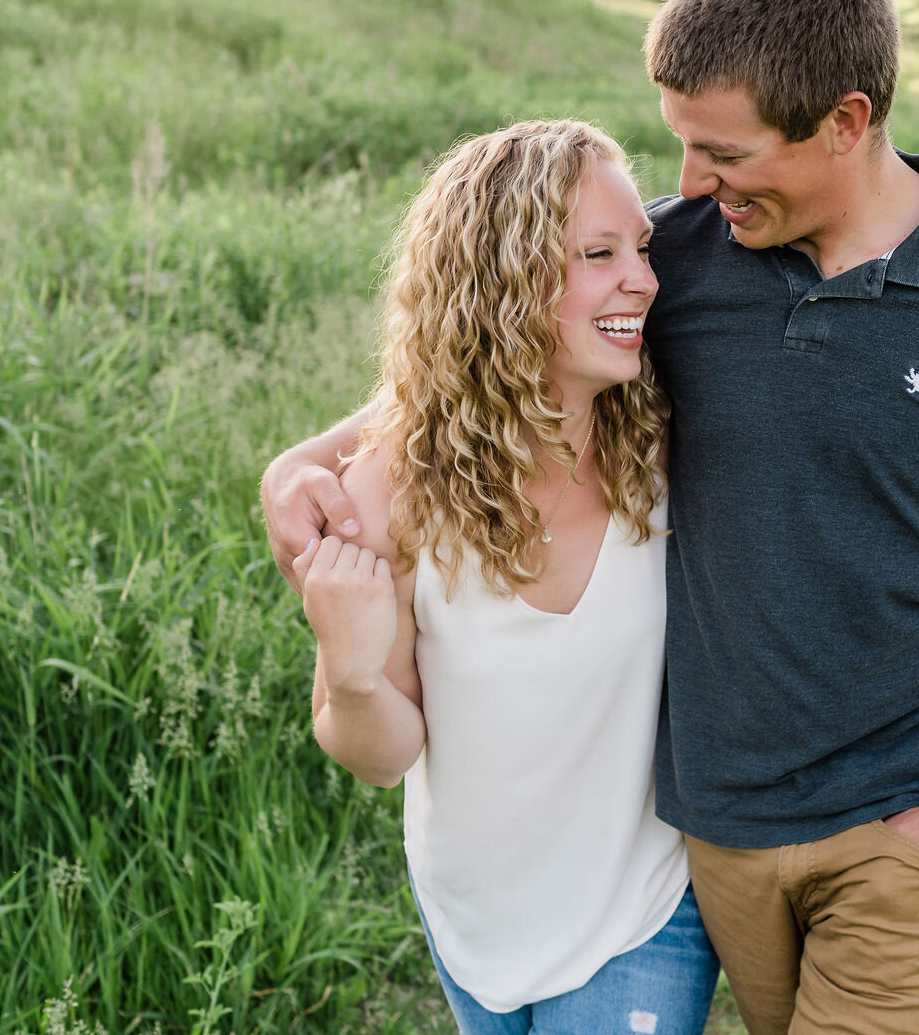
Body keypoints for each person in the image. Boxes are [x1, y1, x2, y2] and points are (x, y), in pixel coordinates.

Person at [266, 0, 919, 1035]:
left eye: (720, 151)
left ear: (845, 122)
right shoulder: (679, 256)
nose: (687, 183)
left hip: (908, 814)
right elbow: (492, 347)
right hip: (721, 828)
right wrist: (309, 461)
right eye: (679, 145)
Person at [297, 118, 719, 1035]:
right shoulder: (392, 488)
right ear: (504, 281)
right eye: (598, 253)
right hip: (472, 913)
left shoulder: (672, 440)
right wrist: (353, 667)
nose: (644, 279)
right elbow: (381, 755)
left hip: (640, 907)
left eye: (640, 249)